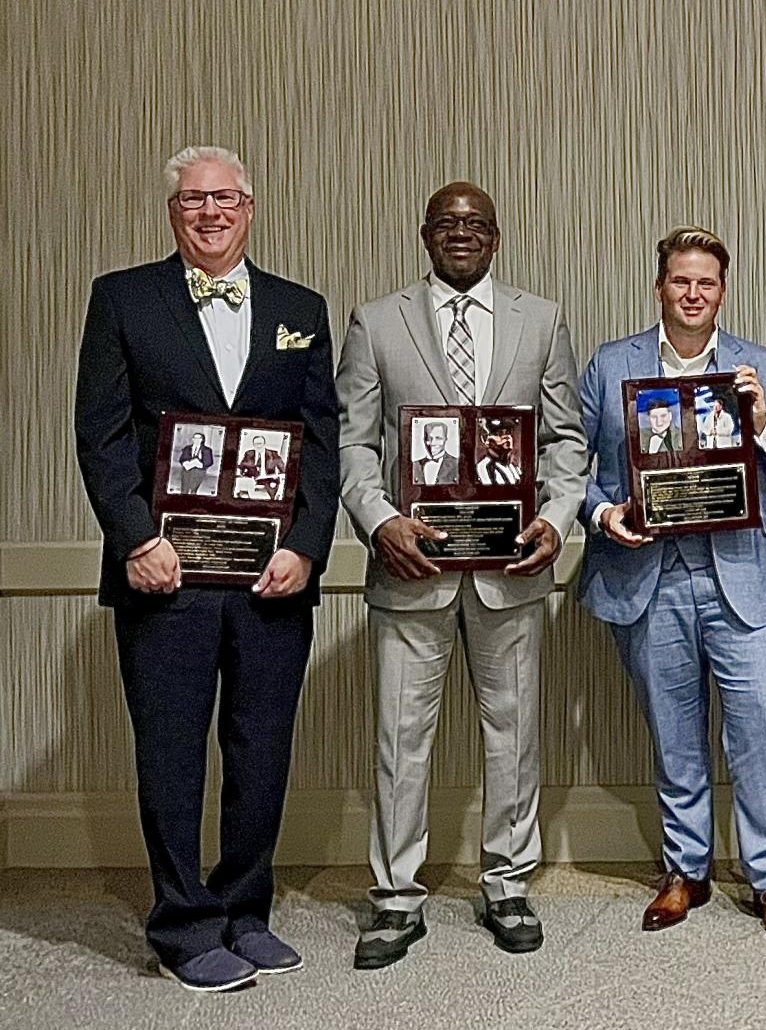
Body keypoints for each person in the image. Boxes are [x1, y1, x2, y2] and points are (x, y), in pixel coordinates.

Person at [73, 145, 336, 991]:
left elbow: (322, 445)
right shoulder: (122, 299)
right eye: (193, 200)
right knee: (172, 752)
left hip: (272, 579)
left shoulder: (301, 308)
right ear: (173, 212)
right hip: (165, 575)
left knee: (262, 752)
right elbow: (102, 433)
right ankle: (183, 926)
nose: (210, 212)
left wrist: (304, 544)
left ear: (250, 208)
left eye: (224, 198)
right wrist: (135, 540)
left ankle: (243, 909)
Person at [336, 181, 588, 968]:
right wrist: (381, 523)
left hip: (510, 570)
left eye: (475, 223)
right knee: (399, 739)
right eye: (446, 223)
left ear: (497, 235)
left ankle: (507, 882)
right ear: (424, 234)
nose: (461, 234)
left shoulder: (540, 320)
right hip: (411, 570)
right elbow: (352, 443)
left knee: (513, 735)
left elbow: (566, 441)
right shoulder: (376, 322)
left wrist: (556, 516)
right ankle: (395, 899)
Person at [578, 226, 766, 940]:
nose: (692, 294)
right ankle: (686, 868)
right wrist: (602, 511)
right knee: (674, 732)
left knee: (761, 730)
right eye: (680, 281)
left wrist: (764, 424)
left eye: (706, 282)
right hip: (648, 577)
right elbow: (570, 462)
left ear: (722, 291)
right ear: (660, 288)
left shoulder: (758, 366)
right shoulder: (610, 364)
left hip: (744, 578)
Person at [474, 420, 524, 485]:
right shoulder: (483, 467)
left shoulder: (515, 469)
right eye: (499, 433)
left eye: (508, 432)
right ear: (485, 439)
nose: (507, 437)